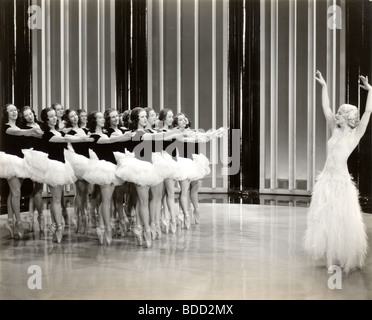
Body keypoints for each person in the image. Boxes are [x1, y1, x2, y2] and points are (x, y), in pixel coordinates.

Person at [304, 70, 370, 273]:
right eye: (338, 112)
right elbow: (326, 107)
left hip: (341, 182)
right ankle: (331, 256)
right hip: (326, 181)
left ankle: (346, 255)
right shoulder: (334, 129)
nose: (336, 115)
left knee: (342, 218)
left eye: (340, 113)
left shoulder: (355, 135)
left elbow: (367, 113)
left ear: (349, 118)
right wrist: (324, 86)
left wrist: (370, 91)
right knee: (325, 218)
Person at [24, 107, 93, 243]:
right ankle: (58, 226)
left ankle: (56, 225)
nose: (55, 118)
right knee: (55, 199)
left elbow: (68, 136)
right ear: (46, 119)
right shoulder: (47, 133)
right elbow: (65, 139)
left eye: (55, 116)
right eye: (51, 116)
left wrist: (82, 136)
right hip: (53, 167)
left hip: (61, 165)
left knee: (57, 199)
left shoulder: (58, 131)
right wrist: (83, 139)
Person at [82, 111, 134, 245]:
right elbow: (111, 140)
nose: (102, 120)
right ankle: (107, 228)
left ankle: (102, 226)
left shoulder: (104, 133)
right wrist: (126, 136)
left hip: (112, 166)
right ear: (94, 121)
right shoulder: (92, 135)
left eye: (102, 117)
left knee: (106, 200)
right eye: (99, 118)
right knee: (105, 200)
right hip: (103, 168)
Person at [0, 104, 42, 239]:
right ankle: (18, 222)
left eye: (15, 110)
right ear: (6, 113)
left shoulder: (19, 126)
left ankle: (10, 221)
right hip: (9, 160)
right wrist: (30, 131)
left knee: (14, 193)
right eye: (11, 110)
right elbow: (17, 133)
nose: (14, 112)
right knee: (16, 192)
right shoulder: (6, 127)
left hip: (21, 160)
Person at [63, 109, 92, 234]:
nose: (75, 118)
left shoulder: (85, 130)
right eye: (72, 116)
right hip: (78, 163)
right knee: (80, 191)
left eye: (75, 115)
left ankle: (84, 215)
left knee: (86, 193)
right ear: (68, 119)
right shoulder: (68, 131)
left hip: (88, 161)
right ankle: (81, 218)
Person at [19, 106, 46, 233]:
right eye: (26, 115)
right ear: (24, 118)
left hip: (41, 157)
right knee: (32, 189)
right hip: (29, 158)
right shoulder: (23, 128)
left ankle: (35, 216)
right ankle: (35, 217)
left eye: (31, 114)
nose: (30, 116)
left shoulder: (41, 124)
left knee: (38, 189)